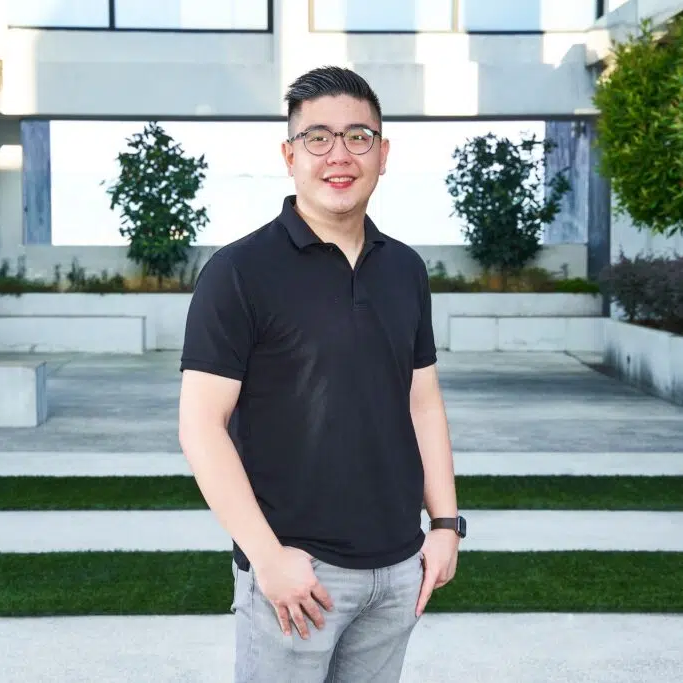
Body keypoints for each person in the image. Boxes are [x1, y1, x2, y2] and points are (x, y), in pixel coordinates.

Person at [177, 65, 466, 683]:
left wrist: (443, 526)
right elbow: (202, 425)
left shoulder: (405, 270)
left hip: (398, 570)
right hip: (297, 573)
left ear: (383, 153)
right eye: (318, 137)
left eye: (358, 137)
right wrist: (268, 558)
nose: (340, 154)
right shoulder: (238, 273)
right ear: (289, 155)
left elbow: (424, 403)